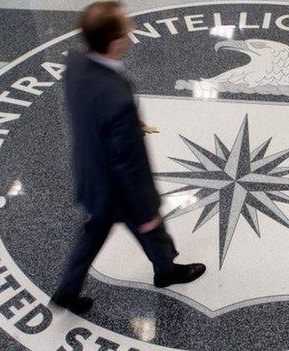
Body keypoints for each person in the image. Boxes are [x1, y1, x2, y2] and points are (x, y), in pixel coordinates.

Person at [52, 1, 205, 315]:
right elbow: (129, 163)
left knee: (93, 234)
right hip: (118, 187)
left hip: (90, 173)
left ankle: (67, 291)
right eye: (126, 28)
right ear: (115, 42)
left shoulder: (76, 64)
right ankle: (166, 272)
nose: (131, 32)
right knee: (151, 225)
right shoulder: (117, 99)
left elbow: (91, 113)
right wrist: (147, 206)